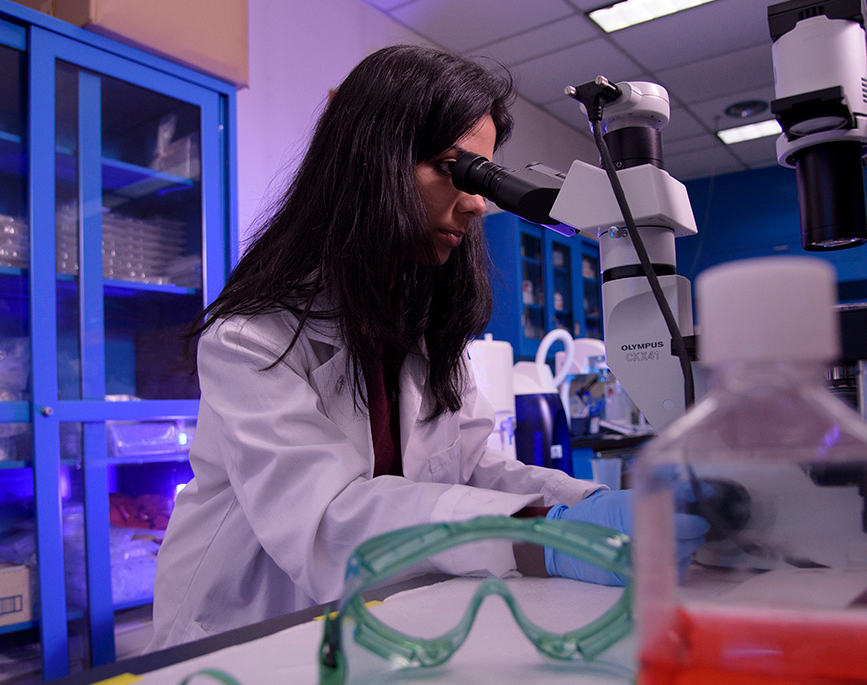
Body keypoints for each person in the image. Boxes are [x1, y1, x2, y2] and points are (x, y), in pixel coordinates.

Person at [148, 45, 701, 650]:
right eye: (451, 167)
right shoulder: (251, 339)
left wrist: (597, 503)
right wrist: (546, 536)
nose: (476, 200)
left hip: (383, 617)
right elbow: (327, 523)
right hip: (246, 635)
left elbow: (475, 468)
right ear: (368, 163)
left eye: (482, 174)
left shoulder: (424, 331)